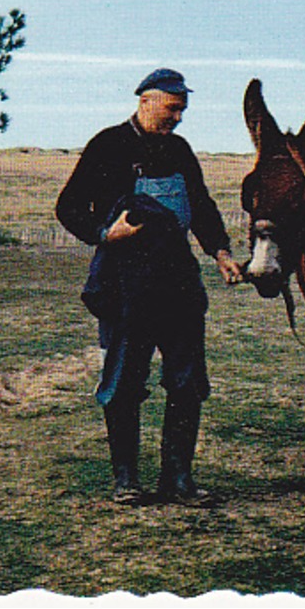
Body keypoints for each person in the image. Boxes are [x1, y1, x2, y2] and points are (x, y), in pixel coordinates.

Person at [56, 68, 244, 505]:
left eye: (182, 110)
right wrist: (104, 234)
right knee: (123, 383)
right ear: (145, 101)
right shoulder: (108, 145)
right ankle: (127, 481)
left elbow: (200, 205)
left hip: (178, 284)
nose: (178, 118)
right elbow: (67, 207)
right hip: (124, 285)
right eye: (172, 108)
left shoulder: (179, 150)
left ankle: (178, 480)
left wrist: (219, 252)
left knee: (187, 383)